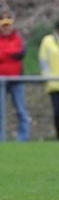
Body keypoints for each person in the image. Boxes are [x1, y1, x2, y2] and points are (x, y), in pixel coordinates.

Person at [0, 10, 29, 141]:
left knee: (21, 111)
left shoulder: (18, 38)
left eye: (8, 24)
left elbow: (19, 52)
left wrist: (5, 54)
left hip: (16, 79)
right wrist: (8, 54)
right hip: (1, 80)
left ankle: (22, 138)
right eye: (3, 25)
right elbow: (11, 53)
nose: (6, 28)